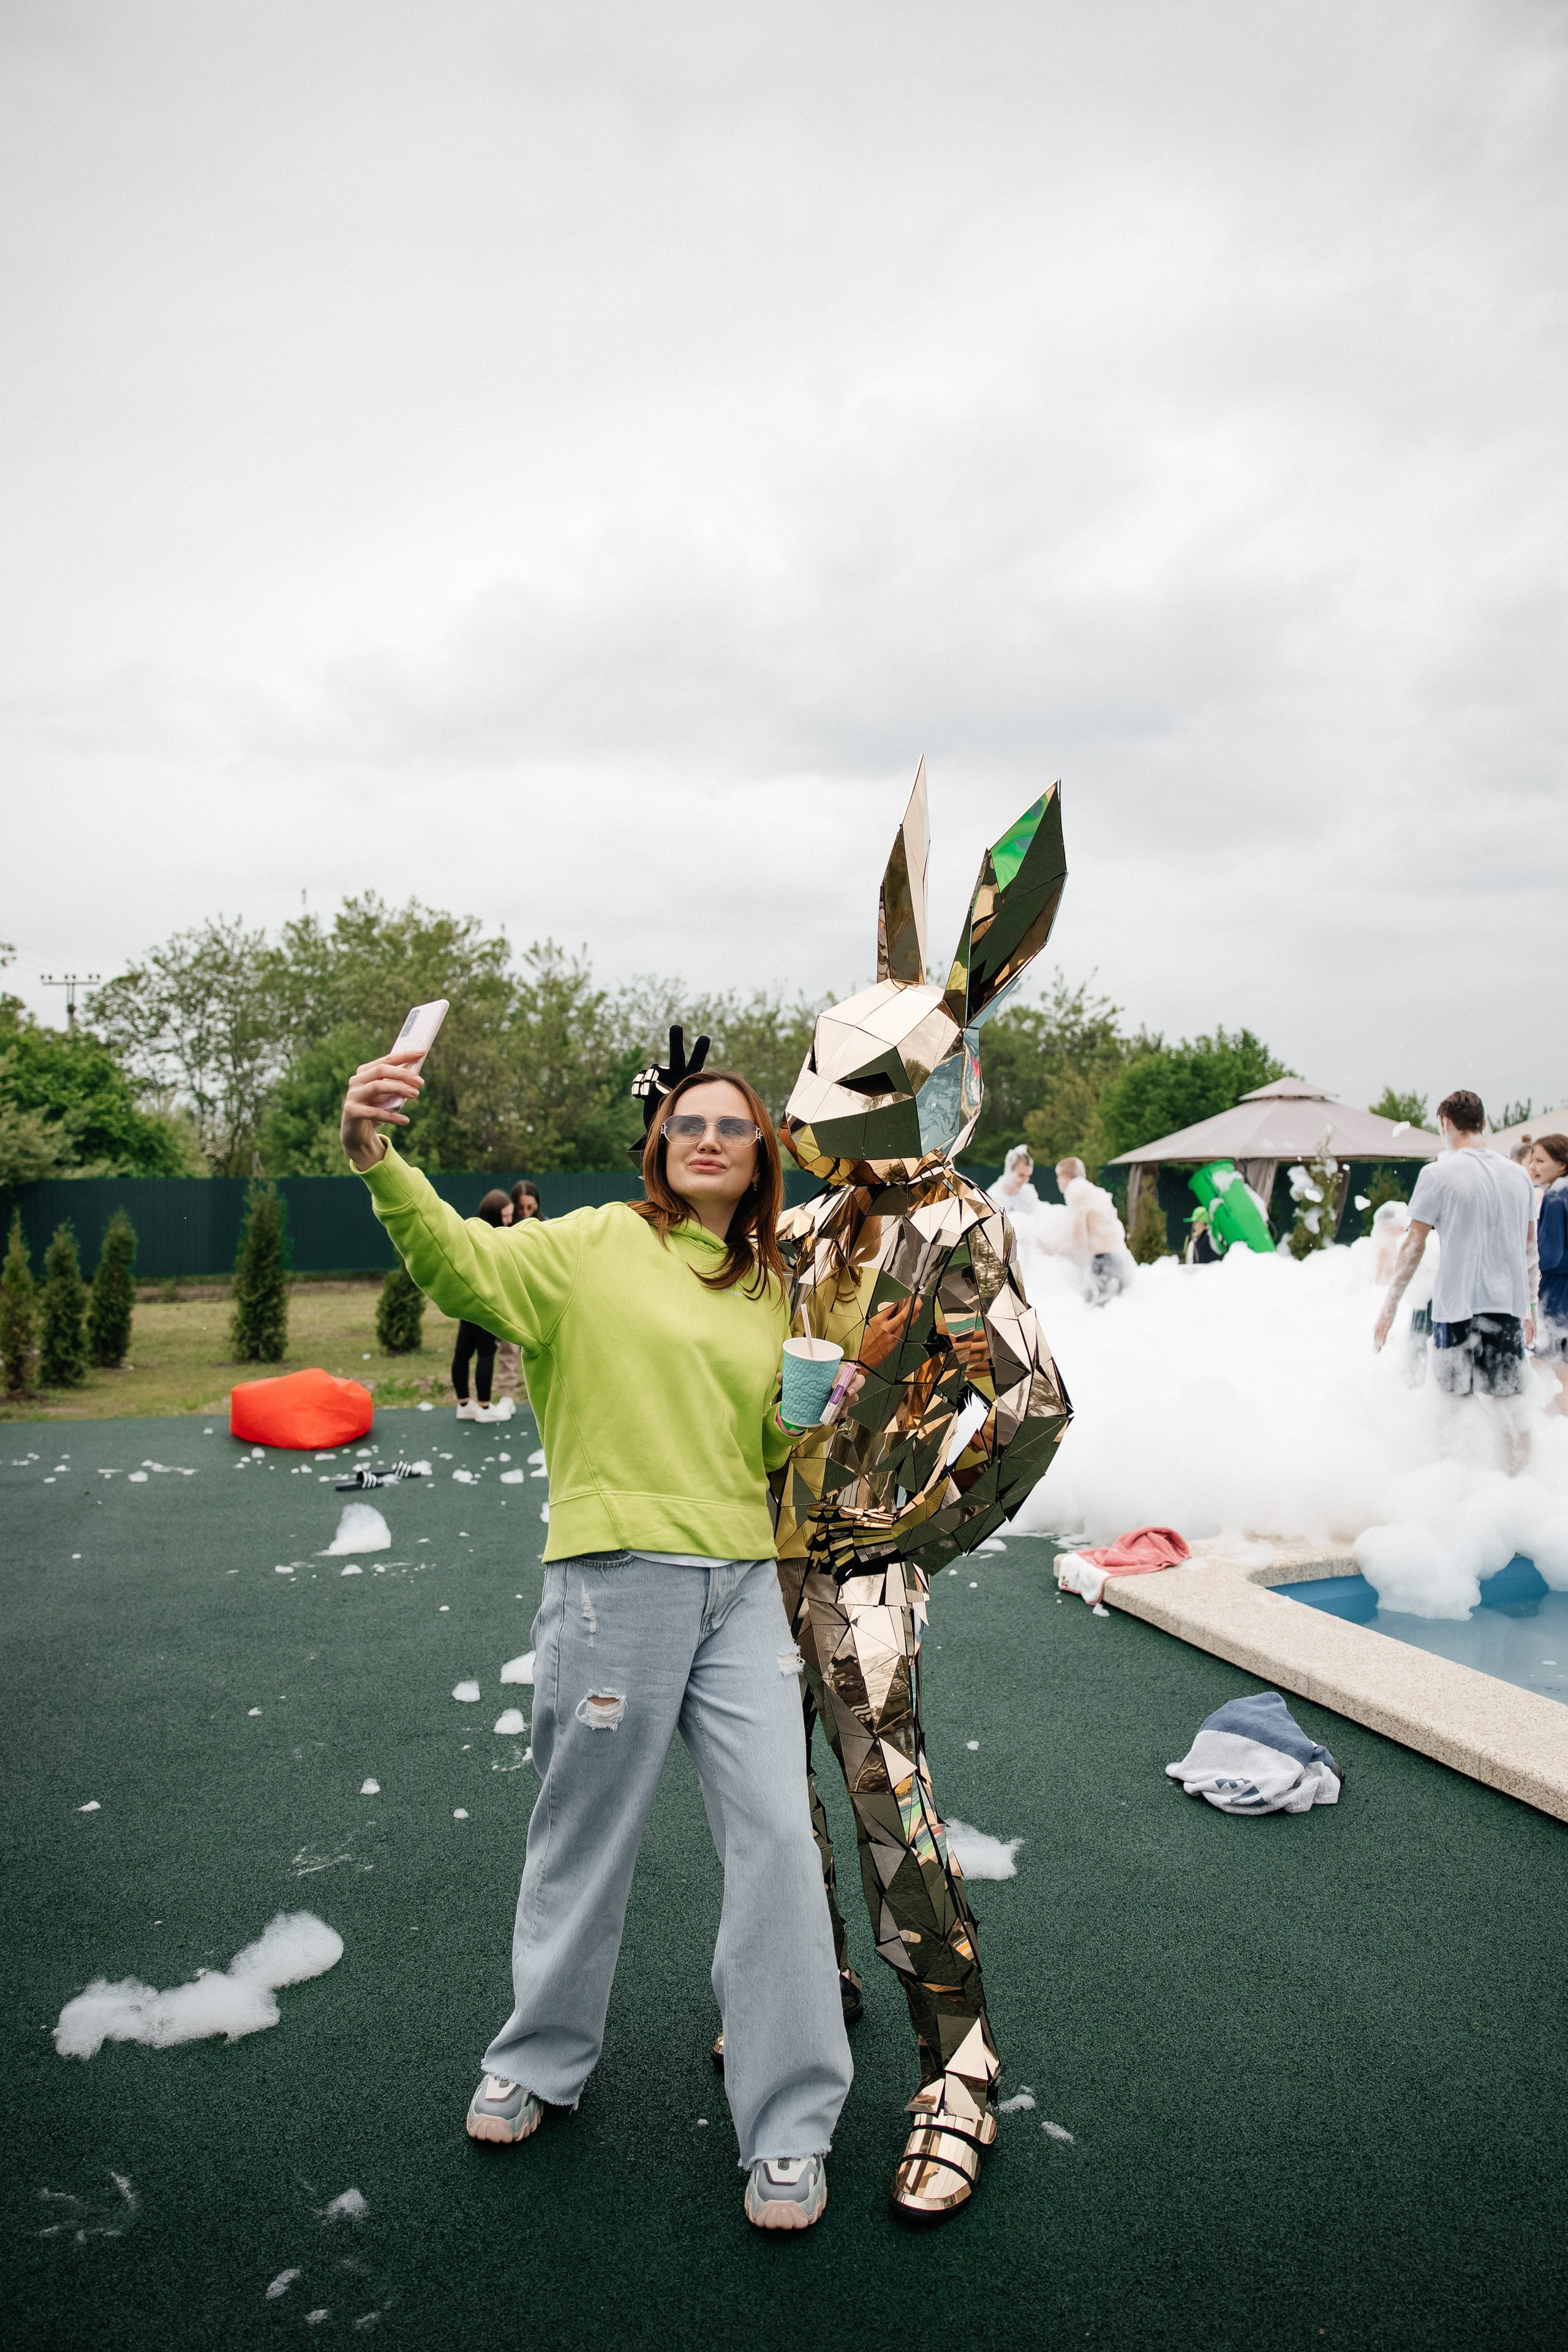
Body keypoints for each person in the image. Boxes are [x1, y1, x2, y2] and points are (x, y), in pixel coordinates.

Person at [339, 1050, 852, 2231]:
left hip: (739, 1584)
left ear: (761, 1156)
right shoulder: (592, 1244)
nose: (709, 1136)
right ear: (660, 1145)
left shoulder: (768, 1285)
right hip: (617, 1573)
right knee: (587, 1831)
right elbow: (459, 1262)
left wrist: (801, 1414)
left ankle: (789, 2125)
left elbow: (765, 1453)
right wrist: (378, 1155)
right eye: (688, 1122)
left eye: (733, 1125)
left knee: (778, 1835)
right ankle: (539, 2059)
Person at [1374, 1090, 1539, 1468]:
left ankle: (1453, 1489)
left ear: (1447, 1124)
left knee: (1450, 1405)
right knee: (1511, 1404)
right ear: (1481, 1122)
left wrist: (1389, 1307)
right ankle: (1521, 1485)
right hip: (1508, 1308)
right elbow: (1531, 1251)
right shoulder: (1519, 1175)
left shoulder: (1437, 1173)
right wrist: (1530, 1306)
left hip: (1457, 1308)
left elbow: (1413, 1246)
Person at [450, 1189, 513, 1423]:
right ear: (496, 1215)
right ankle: (485, 1408)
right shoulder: (494, 1237)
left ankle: (464, 1404)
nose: (509, 1221)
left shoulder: (471, 1229)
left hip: (467, 1299)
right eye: (506, 1216)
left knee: (463, 1352)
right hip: (486, 1299)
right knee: (486, 1352)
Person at [494, 1182, 545, 1409]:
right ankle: (507, 1396)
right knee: (509, 1346)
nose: (525, 1213)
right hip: (514, 1292)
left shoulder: (545, 1225)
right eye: (521, 1208)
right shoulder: (506, 1227)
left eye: (530, 1208)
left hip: (539, 1294)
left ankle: (545, 1397)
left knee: (545, 1347)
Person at [1527, 1134, 1568, 1413]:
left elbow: (1549, 1254)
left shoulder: (1554, 1197)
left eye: (1540, 1160)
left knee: (1546, 1367)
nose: (1533, 1166)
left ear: (1563, 1164)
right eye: (1532, 1159)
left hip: (1556, 1294)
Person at [1055, 1156, 1131, 1302]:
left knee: (1094, 1315)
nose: (1057, 1181)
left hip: (1104, 1264)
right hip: (1121, 1260)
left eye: (1058, 1177)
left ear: (1065, 1177)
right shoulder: (1094, 1191)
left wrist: (1056, 1256)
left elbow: (1079, 1241)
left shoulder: (1076, 1192)